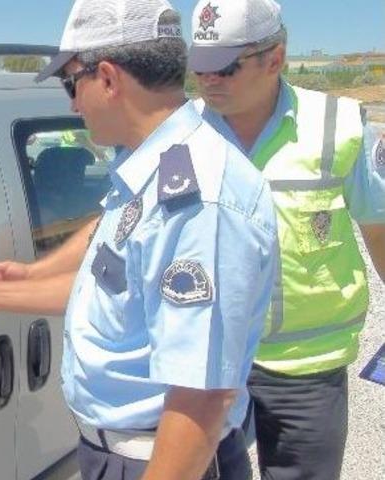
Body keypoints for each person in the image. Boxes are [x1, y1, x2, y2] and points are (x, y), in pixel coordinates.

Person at [0, 0, 279, 478]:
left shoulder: (198, 202)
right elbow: (112, 291)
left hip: (159, 461)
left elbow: (201, 396)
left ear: (110, 79)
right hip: (115, 453)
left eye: (72, 83)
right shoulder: (147, 168)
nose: (73, 103)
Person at [187, 1, 385, 478]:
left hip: (307, 368)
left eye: (224, 67)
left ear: (274, 58)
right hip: (204, 364)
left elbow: (379, 227)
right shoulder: (180, 134)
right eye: (199, 66)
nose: (208, 80)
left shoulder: (338, 127)